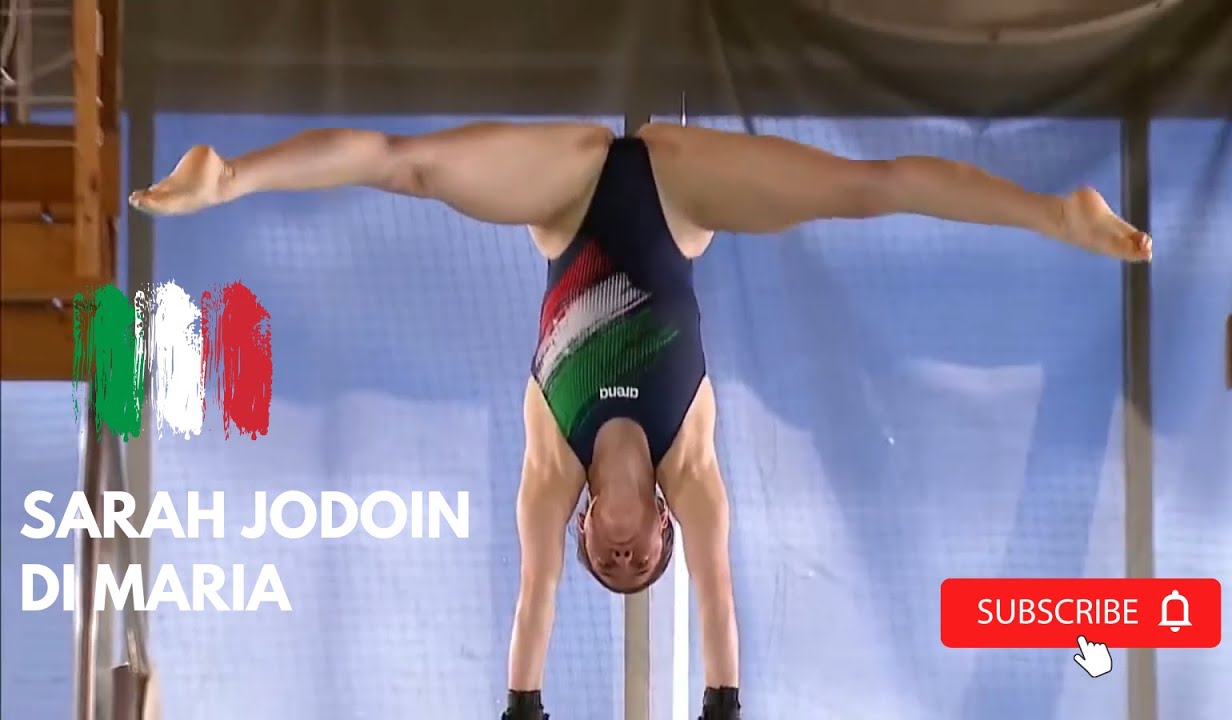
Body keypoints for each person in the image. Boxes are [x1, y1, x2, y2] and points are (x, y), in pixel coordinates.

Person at [129, 120, 1152, 720]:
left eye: (605, 565)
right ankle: (1054, 212)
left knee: (411, 166)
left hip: (566, 197)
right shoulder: (692, 467)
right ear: (661, 527)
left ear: (585, 529)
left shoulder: (548, 469)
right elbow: (719, 604)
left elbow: (532, 600)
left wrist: (522, 706)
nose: (622, 558)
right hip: (678, 194)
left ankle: (232, 176)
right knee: (861, 187)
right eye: (640, 564)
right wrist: (722, 704)